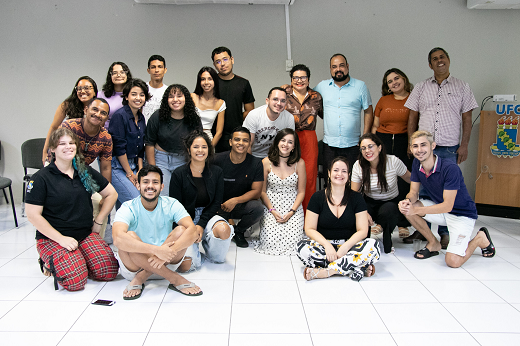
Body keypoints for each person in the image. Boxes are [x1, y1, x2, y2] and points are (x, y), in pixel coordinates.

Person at [25, 128, 118, 291]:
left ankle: (78, 257)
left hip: (84, 234)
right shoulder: (41, 178)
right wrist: (61, 239)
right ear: (52, 149)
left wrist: (98, 220)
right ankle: (47, 260)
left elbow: (111, 194)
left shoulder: (84, 171)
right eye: (62, 144)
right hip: (53, 238)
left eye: (71, 143)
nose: (68, 147)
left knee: (108, 271)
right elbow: (33, 215)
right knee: (75, 282)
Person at [404, 48, 478, 248]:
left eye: (442, 57)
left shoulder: (462, 86)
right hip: (422, 147)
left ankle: (445, 233)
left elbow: (467, 118)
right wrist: (412, 143)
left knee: (445, 191)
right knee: (424, 191)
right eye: (434, 59)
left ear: (448, 60)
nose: (439, 61)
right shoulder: (420, 87)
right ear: (430, 65)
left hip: (448, 147)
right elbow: (412, 116)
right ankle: (424, 233)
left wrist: (464, 145)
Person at [399, 131, 495, 268]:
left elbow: (448, 206)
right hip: (441, 210)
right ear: (411, 148)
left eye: (423, 145)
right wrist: (407, 201)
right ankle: (433, 243)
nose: (419, 150)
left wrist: (416, 209)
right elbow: (413, 192)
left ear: (433, 146)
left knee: (453, 262)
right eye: (415, 146)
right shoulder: (416, 163)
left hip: (461, 214)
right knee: (408, 209)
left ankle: (480, 238)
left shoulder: (450, 168)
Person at [112, 165, 202, 299]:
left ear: (161, 187)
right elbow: (118, 239)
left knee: (182, 230)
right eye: (146, 182)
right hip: (134, 267)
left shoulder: (171, 203)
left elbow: (193, 232)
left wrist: (166, 253)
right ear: (138, 185)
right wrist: (156, 250)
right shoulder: (128, 207)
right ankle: (174, 278)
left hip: (166, 262)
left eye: (155, 182)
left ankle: (142, 277)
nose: (150, 186)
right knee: (128, 237)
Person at [296, 156, 381, 281]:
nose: (339, 174)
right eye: (336, 170)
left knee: (373, 246)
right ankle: (355, 267)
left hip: (350, 245)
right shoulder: (317, 198)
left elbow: (363, 230)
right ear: (329, 173)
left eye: (344, 171)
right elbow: (309, 229)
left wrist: (345, 247)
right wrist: (327, 246)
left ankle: (327, 272)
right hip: (324, 246)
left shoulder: (357, 198)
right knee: (301, 247)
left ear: (349, 175)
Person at [169, 131, 234, 271]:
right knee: (188, 266)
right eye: (196, 147)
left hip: (208, 215)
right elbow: (176, 206)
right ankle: (196, 253)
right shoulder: (178, 173)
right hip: (185, 219)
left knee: (223, 232)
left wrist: (201, 224)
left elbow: (216, 202)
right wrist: (192, 227)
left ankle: (209, 248)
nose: (200, 150)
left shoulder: (217, 172)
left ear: (209, 149)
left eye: (204, 147)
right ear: (189, 149)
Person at [50, 98, 113, 239]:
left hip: (82, 176)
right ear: (86, 110)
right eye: (95, 109)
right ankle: (57, 241)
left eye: (103, 113)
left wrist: (104, 194)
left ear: (106, 118)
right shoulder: (69, 126)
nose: (98, 114)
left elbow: (106, 167)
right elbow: (55, 156)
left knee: (99, 203)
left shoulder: (105, 137)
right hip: (59, 174)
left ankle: (94, 241)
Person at [351, 133, 411, 254]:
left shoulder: (393, 161)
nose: (367, 151)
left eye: (370, 146)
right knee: (360, 212)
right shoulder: (358, 165)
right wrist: (363, 212)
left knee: (388, 211)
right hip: (369, 201)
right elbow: (353, 193)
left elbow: (411, 179)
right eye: (363, 148)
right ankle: (364, 242)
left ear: (379, 147)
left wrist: (412, 197)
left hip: (390, 202)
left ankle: (388, 241)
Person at [314, 53, 373, 173]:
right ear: (330, 69)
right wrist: (288, 88)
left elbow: (368, 111)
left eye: (341, 66)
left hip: (353, 145)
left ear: (347, 66)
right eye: (334, 67)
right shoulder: (322, 86)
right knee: (330, 181)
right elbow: (307, 98)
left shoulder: (360, 86)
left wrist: (365, 137)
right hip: (329, 145)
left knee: (353, 181)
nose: (338, 69)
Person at [254, 128, 305, 255]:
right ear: (277, 142)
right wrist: (272, 210)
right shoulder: (266, 162)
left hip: (293, 207)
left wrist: (292, 211)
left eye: (290, 142)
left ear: (294, 146)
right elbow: (262, 192)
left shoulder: (300, 163)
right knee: (269, 241)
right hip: (271, 206)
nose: (285, 144)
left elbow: (301, 192)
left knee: (294, 243)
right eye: (283, 140)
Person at [145, 84, 203, 195]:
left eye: (179, 96)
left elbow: (198, 144)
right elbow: (149, 143)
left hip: (183, 160)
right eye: (171, 96)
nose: (175, 100)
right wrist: (153, 169)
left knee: (182, 195)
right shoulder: (157, 116)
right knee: (163, 195)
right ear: (167, 100)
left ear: (186, 98)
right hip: (160, 160)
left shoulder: (194, 118)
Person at [213, 126, 264, 248]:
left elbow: (256, 192)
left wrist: (235, 200)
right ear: (230, 142)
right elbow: (209, 187)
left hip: (240, 204)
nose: (241, 143)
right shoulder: (216, 160)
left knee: (257, 208)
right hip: (219, 205)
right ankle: (222, 227)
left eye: (245, 140)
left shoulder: (256, 163)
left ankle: (238, 231)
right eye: (237, 139)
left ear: (249, 143)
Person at [284, 64, 323, 212]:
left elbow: (326, 115)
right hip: (288, 137)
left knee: (309, 178)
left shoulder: (316, 97)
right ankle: (289, 215)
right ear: (291, 79)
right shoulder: (283, 93)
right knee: (288, 176)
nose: (299, 80)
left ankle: (308, 216)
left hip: (309, 138)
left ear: (308, 79)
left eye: (303, 77)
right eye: (296, 77)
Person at [108, 78, 149, 208]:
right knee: (136, 201)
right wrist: (130, 174)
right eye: (134, 94)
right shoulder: (119, 116)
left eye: (142, 95)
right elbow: (119, 148)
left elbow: (141, 147)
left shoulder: (141, 118)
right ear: (126, 96)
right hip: (118, 167)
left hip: (134, 166)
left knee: (125, 210)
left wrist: (140, 171)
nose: (138, 98)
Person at [42, 76, 98, 164]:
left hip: (81, 156)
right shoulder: (67, 105)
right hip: (63, 152)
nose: (82, 91)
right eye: (79, 89)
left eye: (86, 88)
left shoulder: (98, 109)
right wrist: (45, 151)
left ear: (94, 92)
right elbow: (54, 127)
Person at [211, 46, 255, 152]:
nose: (222, 64)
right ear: (214, 65)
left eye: (225, 59)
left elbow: (250, 111)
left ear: (232, 60)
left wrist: (237, 118)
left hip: (236, 135)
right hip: (214, 135)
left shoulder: (243, 83)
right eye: (218, 61)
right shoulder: (211, 83)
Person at [243, 87, 295, 159]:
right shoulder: (254, 115)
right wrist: (252, 165)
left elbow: (288, 145)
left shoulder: (289, 118)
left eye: (283, 101)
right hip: (254, 155)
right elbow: (247, 144)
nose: (279, 103)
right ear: (267, 101)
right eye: (275, 99)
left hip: (276, 157)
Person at [191, 66, 226, 148]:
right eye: (203, 79)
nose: (206, 82)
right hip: (191, 137)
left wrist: (209, 148)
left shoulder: (220, 103)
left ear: (215, 81)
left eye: (210, 79)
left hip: (208, 139)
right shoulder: (192, 97)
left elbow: (219, 132)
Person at [99, 61, 133, 129]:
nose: (118, 75)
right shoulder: (101, 95)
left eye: (122, 72)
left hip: (128, 134)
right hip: (106, 134)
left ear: (127, 75)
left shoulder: (133, 95)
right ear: (110, 76)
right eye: (115, 73)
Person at [142, 55, 168, 123]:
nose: (156, 70)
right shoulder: (142, 88)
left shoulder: (168, 91)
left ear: (165, 70)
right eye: (153, 67)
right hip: (143, 130)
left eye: (160, 67)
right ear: (148, 70)